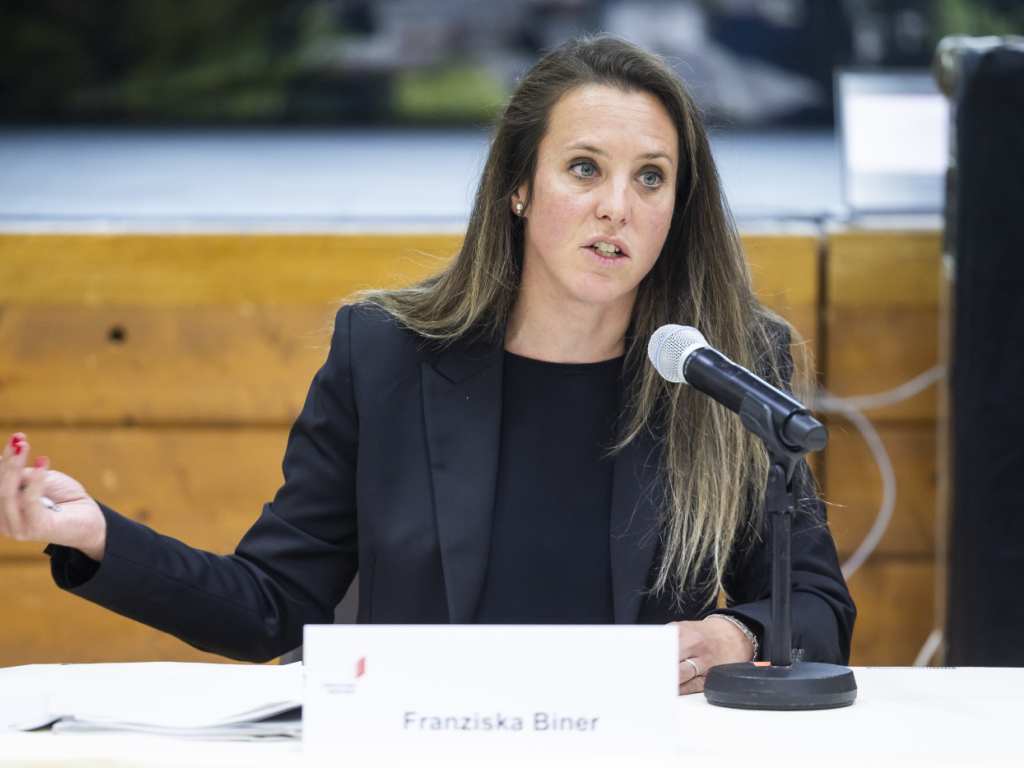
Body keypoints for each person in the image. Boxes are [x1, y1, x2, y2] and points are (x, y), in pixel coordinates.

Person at [0, 35, 854, 694]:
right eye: (584, 169)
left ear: (677, 204)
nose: (615, 208)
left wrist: (739, 634)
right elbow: (271, 604)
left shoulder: (723, 369)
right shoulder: (384, 356)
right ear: (519, 187)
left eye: (651, 179)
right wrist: (96, 536)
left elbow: (817, 606)